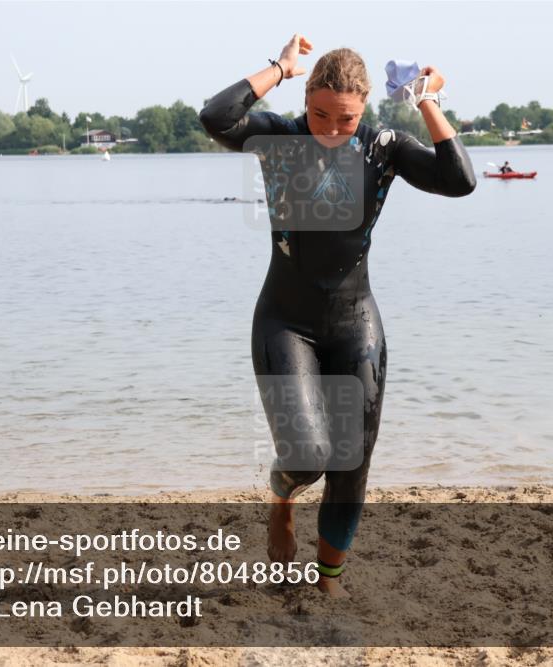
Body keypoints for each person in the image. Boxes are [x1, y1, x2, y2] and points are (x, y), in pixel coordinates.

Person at [199, 34, 476, 597]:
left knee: (351, 461)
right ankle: (281, 499)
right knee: (306, 456)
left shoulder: (383, 147)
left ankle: (329, 580)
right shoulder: (282, 139)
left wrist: (425, 99)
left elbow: (459, 179)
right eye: (319, 113)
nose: (328, 129)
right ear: (307, 105)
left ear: (365, 109)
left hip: (355, 324)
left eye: (344, 119)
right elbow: (216, 116)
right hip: (284, 322)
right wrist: (281, 68)